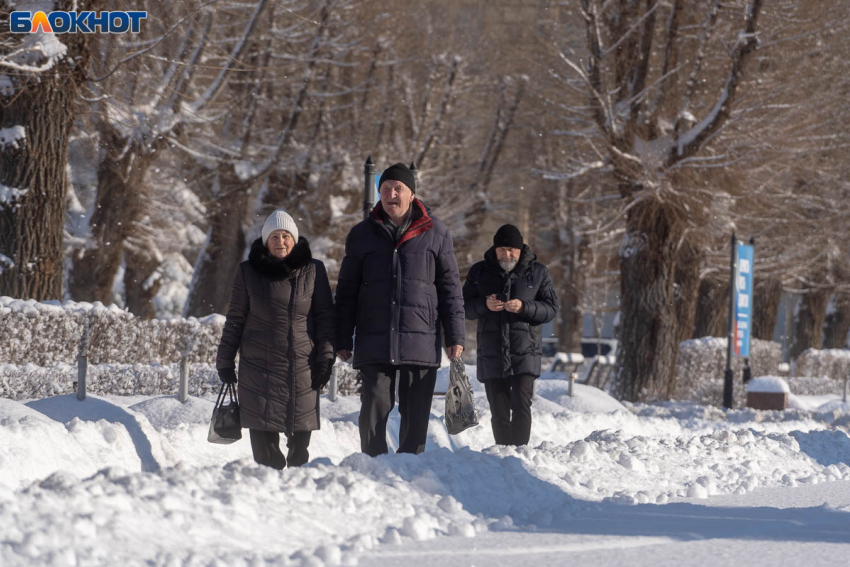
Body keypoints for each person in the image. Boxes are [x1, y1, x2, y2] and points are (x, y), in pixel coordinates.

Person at [335, 162, 465, 456]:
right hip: (373, 337)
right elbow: (346, 292)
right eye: (385, 189)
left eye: (398, 189)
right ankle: (373, 466)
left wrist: (455, 336)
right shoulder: (361, 234)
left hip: (420, 339)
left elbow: (450, 288)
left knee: (416, 414)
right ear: (378, 193)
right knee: (373, 409)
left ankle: (410, 470)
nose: (391, 194)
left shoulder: (437, 233)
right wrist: (342, 338)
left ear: (411, 194)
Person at [216, 209, 335, 469]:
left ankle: (296, 499)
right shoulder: (248, 272)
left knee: (299, 455)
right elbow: (235, 318)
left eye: (285, 236)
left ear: (293, 238)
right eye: (274, 237)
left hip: (303, 368)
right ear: (265, 241)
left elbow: (325, 317)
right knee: (266, 458)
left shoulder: (313, 271)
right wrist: (225, 360)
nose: (280, 242)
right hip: (260, 369)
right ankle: (267, 500)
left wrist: (326, 357)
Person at [462, 224, 559, 446]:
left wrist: (524, 307)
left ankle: (521, 452)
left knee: (522, 403)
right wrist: (484, 305)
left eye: (511, 250)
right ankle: (504, 454)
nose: (507, 254)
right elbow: (463, 307)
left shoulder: (538, 272)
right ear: (495, 249)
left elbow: (551, 309)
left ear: (520, 249)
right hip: (492, 351)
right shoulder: (479, 271)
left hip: (525, 351)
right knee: (499, 407)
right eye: (502, 249)